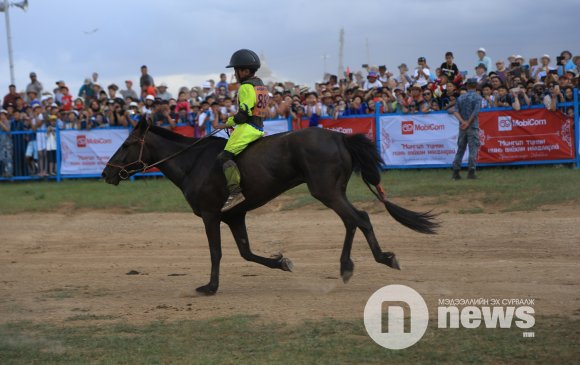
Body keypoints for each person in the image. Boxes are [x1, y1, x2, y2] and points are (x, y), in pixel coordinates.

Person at [216, 49, 267, 212]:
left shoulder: (245, 87)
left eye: (236, 70)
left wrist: (228, 123)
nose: (235, 74)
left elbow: (244, 114)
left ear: (245, 71)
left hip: (248, 127)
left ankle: (235, 192)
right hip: (259, 128)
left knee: (224, 157)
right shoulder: (260, 84)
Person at [451, 78, 483, 180]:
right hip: (472, 126)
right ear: (476, 85)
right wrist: (468, 122)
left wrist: (463, 121)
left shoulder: (461, 97)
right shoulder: (477, 97)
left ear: (467, 85)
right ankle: (471, 172)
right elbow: (475, 112)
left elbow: (455, 111)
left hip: (462, 127)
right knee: (473, 149)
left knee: (460, 149)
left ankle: (456, 172)